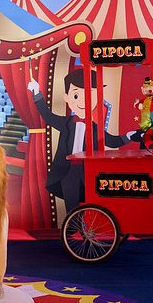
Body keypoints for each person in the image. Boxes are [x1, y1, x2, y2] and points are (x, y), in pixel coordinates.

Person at [28, 67, 125, 211]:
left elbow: (112, 140)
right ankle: (73, 224)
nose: (84, 101)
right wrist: (36, 93)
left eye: (90, 96)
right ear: (66, 97)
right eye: (76, 95)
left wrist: (131, 135)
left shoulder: (94, 127)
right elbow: (48, 116)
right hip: (68, 170)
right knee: (71, 205)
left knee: (93, 202)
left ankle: (90, 223)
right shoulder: (66, 123)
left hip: (89, 170)